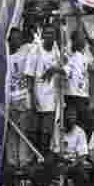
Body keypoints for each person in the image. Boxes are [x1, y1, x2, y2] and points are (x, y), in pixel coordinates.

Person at [26, 29, 62, 157]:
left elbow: (64, 67)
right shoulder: (36, 50)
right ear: (42, 36)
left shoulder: (57, 50)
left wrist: (54, 69)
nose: (49, 36)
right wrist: (31, 96)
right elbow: (29, 75)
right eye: (46, 33)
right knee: (35, 130)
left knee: (47, 130)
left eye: (52, 34)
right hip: (38, 96)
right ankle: (35, 157)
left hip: (52, 98)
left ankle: (44, 157)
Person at [5, 27, 36, 169]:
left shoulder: (27, 50)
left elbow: (38, 44)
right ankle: (12, 160)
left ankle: (23, 161)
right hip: (10, 100)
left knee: (23, 131)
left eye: (18, 37)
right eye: (13, 38)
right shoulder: (5, 57)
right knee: (12, 131)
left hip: (24, 98)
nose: (16, 40)